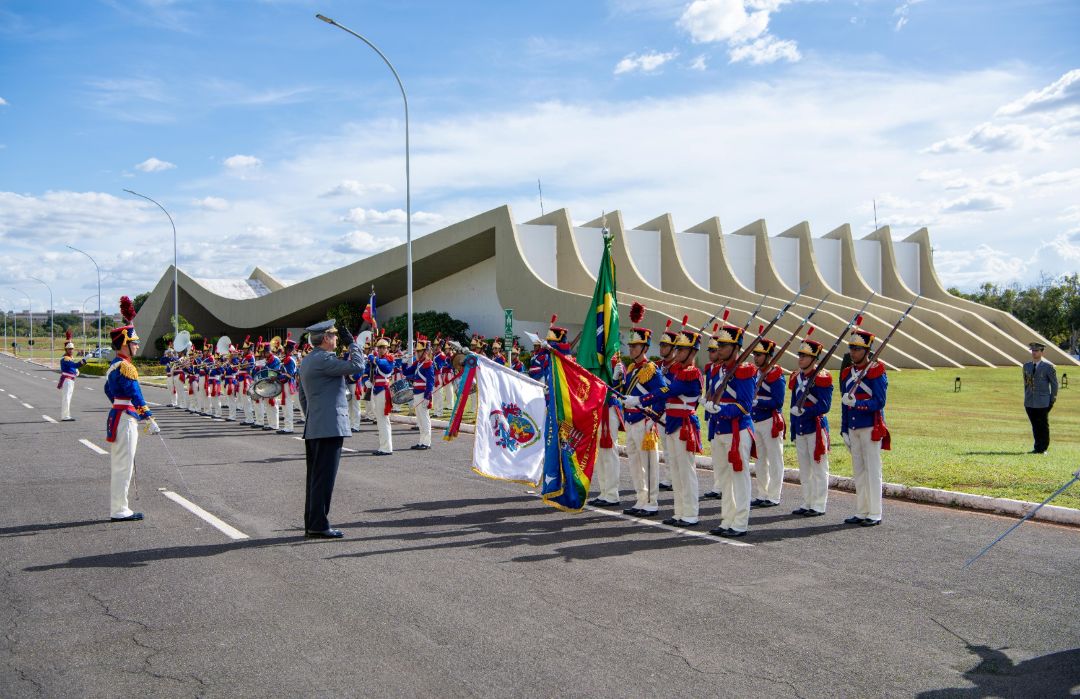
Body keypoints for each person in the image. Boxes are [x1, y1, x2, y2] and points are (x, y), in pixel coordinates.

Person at [297, 319, 366, 538]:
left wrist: (313, 416)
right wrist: (353, 344)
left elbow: (302, 396)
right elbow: (358, 366)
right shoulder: (323, 359)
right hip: (329, 427)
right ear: (326, 338)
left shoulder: (309, 360)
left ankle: (313, 522)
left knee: (316, 479)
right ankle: (318, 525)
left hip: (317, 425)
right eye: (335, 335)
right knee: (324, 479)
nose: (337, 339)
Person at [103, 296, 158, 522]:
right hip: (125, 418)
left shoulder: (114, 366)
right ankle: (119, 509)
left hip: (118, 415)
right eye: (134, 342)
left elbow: (109, 391)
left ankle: (119, 507)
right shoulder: (126, 368)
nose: (137, 345)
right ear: (124, 342)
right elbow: (136, 395)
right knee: (124, 466)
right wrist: (148, 417)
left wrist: (120, 405)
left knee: (121, 465)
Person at [703, 322, 756, 537]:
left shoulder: (744, 370)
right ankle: (727, 519)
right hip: (720, 429)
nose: (720, 348)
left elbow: (745, 405)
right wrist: (708, 404)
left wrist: (721, 408)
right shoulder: (718, 370)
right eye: (720, 344)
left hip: (737, 431)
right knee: (724, 478)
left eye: (725, 345)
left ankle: (740, 522)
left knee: (739, 477)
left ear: (736, 347)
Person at [618, 303, 669, 517]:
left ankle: (651, 502)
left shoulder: (651, 369)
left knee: (648, 464)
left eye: (636, 347)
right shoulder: (630, 368)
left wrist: (653, 418)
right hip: (630, 421)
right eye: (631, 346)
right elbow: (626, 393)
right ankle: (641, 498)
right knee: (635, 463)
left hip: (644, 421)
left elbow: (664, 392)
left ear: (645, 348)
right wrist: (617, 381)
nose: (632, 349)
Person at [840, 328, 889, 527]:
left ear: (867, 350)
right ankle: (861, 510)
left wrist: (858, 404)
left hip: (870, 426)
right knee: (859, 471)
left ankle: (875, 512)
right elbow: (844, 403)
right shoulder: (846, 373)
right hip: (853, 426)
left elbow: (879, 401)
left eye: (857, 349)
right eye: (851, 347)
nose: (853, 352)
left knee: (872, 470)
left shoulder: (876, 371)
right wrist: (844, 428)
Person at [661, 324, 704, 527]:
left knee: (686, 471)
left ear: (692, 352)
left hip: (684, 426)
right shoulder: (676, 371)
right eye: (676, 349)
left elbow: (668, 391)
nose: (677, 352)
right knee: (676, 470)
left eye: (682, 349)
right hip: (672, 423)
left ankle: (690, 513)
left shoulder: (691, 373)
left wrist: (642, 399)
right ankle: (679, 512)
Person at [789, 334, 832, 518]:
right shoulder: (797, 377)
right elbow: (793, 402)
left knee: (819, 468)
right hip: (801, 427)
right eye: (800, 355)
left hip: (815, 427)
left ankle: (819, 504)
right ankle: (807, 501)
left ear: (814, 359)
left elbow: (824, 406)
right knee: (805, 468)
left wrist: (804, 412)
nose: (801, 359)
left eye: (804, 356)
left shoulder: (822, 377)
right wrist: (793, 425)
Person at [749, 330, 786, 508]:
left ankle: (774, 495)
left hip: (770, 421)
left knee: (774, 460)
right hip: (756, 421)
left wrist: (759, 401)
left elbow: (778, 401)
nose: (756, 358)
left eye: (759, 355)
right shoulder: (755, 373)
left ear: (768, 356)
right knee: (760, 459)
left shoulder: (776, 374)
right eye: (755, 354)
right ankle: (762, 493)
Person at [1023, 341, 1058, 454]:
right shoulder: (1026, 366)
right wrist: (1026, 398)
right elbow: (1026, 384)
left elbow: (1054, 384)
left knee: (1043, 425)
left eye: (1036, 351)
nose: (1034, 353)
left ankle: (1043, 448)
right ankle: (1037, 447)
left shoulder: (1048, 367)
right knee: (1035, 425)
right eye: (1032, 350)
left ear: (1042, 352)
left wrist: (1052, 399)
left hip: (1043, 401)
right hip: (1030, 402)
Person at [403, 335, 435, 450]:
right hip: (416, 393)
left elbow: (431, 382)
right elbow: (406, 372)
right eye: (417, 351)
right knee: (420, 419)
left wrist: (427, 396)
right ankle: (422, 441)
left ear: (425, 351)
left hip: (423, 394)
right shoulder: (418, 363)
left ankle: (426, 442)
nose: (417, 352)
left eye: (419, 351)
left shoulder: (428, 364)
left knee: (424, 418)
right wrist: (404, 362)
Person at [369, 334, 396, 455]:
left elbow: (385, 367)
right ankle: (383, 446)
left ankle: (386, 448)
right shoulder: (378, 359)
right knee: (380, 420)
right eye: (379, 348)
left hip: (383, 391)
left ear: (387, 349)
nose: (381, 350)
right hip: (376, 390)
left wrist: (374, 359)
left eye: (383, 348)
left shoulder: (389, 359)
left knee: (383, 420)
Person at [58, 331, 88, 421]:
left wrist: (75, 371)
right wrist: (84, 360)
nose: (71, 350)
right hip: (67, 380)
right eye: (69, 349)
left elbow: (73, 368)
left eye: (72, 349)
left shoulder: (69, 358)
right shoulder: (66, 358)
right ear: (66, 350)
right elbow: (74, 365)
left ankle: (67, 415)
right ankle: (64, 416)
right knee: (66, 398)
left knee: (68, 398)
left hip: (70, 380)